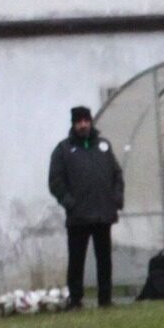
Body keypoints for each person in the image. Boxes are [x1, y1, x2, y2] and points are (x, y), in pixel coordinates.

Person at [47, 105, 124, 310]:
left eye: (86, 121)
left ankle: (105, 298)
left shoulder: (104, 146)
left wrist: (116, 198)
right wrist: (70, 203)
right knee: (77, 259)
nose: (83, 125)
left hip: (103, 213)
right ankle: (75, 299)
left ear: (91, 122)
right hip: (78, 216)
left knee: (104, 259)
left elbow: (117, 175)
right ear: (73, 124)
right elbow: (55, 182)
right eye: (79, 122)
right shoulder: (64, 149)